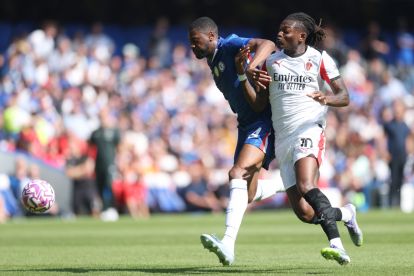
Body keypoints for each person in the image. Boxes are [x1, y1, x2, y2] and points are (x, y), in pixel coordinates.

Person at [235, 12, 363, 265]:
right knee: (305, 213)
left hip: (309, 129)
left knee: (307, 184)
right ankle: (346, 213)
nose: (280, 34)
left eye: (286, 31)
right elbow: (260, 105)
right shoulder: (271, 62)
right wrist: (243, 75)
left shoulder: (320, 59)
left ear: (302, 36)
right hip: (283, 138)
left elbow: (344, 96)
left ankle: (336, 245)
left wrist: (327, 98)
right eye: (280, 30)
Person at [189, 16, 294, 266]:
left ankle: (227, 243)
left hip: (263, 121)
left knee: (237, 172)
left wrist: (250, 67)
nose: (192, 47)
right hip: (246, 125)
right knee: (248, 192)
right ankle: (288, 182)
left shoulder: (230, 45)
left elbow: (268, 44)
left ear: (212, 37)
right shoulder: (212, 61)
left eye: (196, 41)